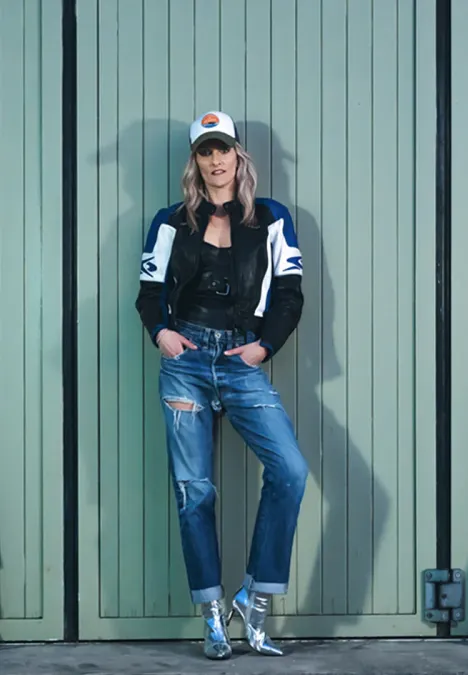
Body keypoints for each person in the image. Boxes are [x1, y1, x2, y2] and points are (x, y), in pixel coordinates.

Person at [135, 111, 307, 659]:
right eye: (206, 151)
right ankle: (212, 617)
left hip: (240, 360)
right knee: (195, 493)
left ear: (238, 155)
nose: (216, 161)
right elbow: (148, 292)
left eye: (224, 149)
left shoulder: (271, 218)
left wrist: (264, 347)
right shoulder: (170, 222)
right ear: (196, 161)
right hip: (185, 362)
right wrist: (162, 333)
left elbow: (290, 292)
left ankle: (255, 598)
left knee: (290, 471)